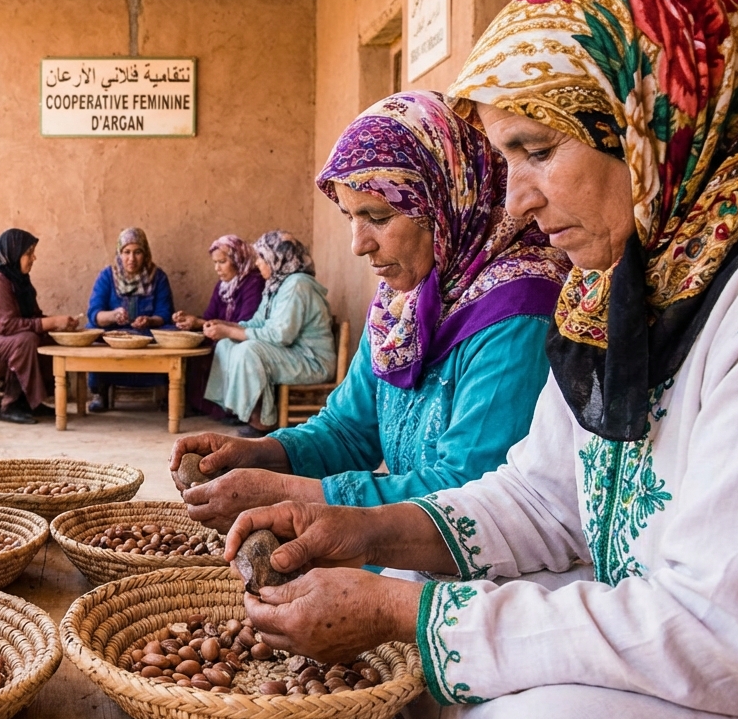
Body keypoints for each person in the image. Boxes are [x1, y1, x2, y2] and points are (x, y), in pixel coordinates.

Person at [224, 0, 738, 719]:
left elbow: (728, 637)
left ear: (651, 124)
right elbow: (542, 496)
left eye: (538, 151)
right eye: (504, 159)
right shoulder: (616, 282)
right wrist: (362, 531)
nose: (516, 199)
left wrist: (406, 614)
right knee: (421, 601)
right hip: (660, 626)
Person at [171, 91, 568, 532]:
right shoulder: (401, 303)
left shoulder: (519, 309)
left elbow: (469, 495)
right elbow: (347, 430)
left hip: (467, 566)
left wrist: (290, 493)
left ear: (447, 202)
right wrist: (261, 454)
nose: (358, 245)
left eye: (377, 217)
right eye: (349, 217)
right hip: (397, 545)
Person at [203, 231, 335, 437]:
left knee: (249, 351)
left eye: (261, 258)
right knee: (226, 343)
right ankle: (238, 409)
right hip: (292, 354)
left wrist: (230, 330)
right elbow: (258, 321)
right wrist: (226, 326)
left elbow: (281, 335)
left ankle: (262, 422)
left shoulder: (298, 285)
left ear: (277, 258)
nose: (257, 263)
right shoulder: (277, 285)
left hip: (311, 360)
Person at [0, 228, 78, 424]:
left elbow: (34, 319)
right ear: (13, 254)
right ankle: (9, 405)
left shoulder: (20, 282)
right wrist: (52, 322)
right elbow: (8, 326)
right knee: (26, 341)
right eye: (28, 253)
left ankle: (30, 402)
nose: (34, 258)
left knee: (47, 340)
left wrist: (61, 325)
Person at [172, 234, 266, 421]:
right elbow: (209, 316)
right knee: (195, 351)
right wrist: (192, 321)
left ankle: (231, 410)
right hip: (222, 334)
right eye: (215, 263)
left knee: (220, 350)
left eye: (222, 262)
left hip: (241, 338)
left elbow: (245, 323)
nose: (217, 268)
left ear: (238, 259)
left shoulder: (253, 283)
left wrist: (203, 324)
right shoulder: (222, 286)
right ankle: (202, 406)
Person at [84, 227, 175, 412]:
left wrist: (150, 320)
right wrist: (113, 315)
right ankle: (99, 391)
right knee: (91, 329)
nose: (131, 258)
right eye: (126, 252)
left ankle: (166, 392)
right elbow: (94, 313)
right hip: (113, 337)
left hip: (146, 336)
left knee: (174, 332)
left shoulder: (158, 277)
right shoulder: (107, 276)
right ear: (119, 253)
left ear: (145, 253)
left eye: (137, 252)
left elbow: (165, 313)